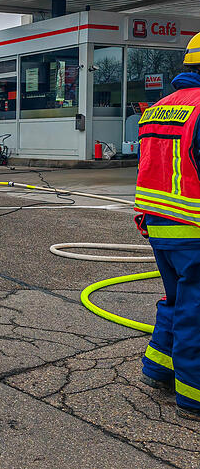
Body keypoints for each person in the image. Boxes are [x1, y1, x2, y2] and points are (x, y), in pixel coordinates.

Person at [134, 32, 200, 420]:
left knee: (177, 300)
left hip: (159, 225)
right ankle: (193, 394)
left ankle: (157, 368)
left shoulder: (157, 108)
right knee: (196, 309)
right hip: (193, 228)